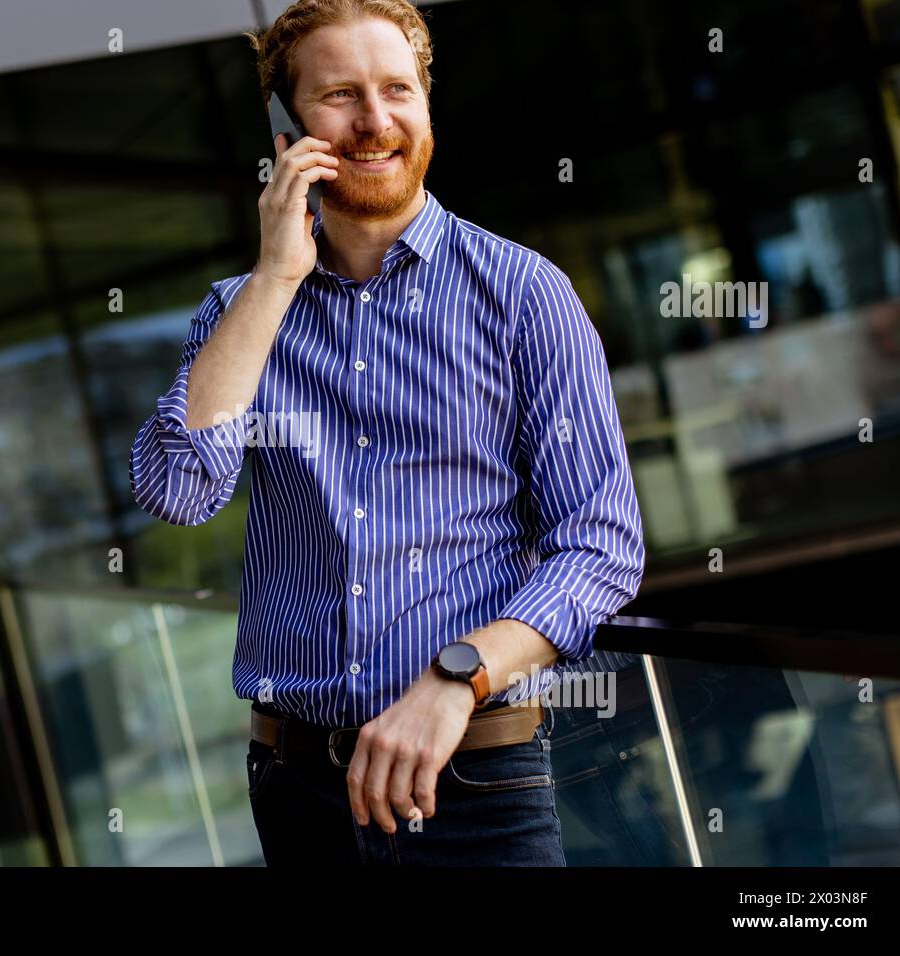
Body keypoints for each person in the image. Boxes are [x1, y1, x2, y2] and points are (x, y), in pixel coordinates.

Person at [129, 0, 645, 866]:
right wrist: (274, 278)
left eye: (397, 90)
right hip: (299, 795)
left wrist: (456, 676)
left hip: (474, 782)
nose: (376, 122)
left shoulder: (522, 296)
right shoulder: (239, 313)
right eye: (340, 96)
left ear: (426, 104)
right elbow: (179, 491)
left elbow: (601, 547)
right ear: (287, 127)